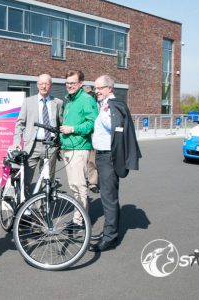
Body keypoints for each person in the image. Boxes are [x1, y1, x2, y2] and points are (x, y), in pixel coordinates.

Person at [89, 74, 141, 252]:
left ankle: (110, 238)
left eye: (99, 88)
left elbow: (116, 128)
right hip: (102, 156)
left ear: (109, 88)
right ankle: (108, 232)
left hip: (108, 157)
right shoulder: (105, 105)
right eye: (95, 88)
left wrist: (104, 114)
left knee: (108, 199)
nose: (97, 91)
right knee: (108, 196)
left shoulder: (112, 106)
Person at [12, 73, 63, 197]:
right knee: (26, 179)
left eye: (46, 83)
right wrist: (17, 141)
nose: (43, 86)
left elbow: (61, 125)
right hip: (32, 146)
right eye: (41, 83)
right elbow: (20, 124)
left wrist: (60, 146)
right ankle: (25, 207)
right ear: (37, 85)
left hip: (50, 146)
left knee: (47, 180)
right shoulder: (28, 102)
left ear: (51, 85)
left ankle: (43, 210)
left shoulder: (58, 103)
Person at [59, 70, 98, 230]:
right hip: (68, 148)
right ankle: (78, 218)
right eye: (67, 83)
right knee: (74, 187)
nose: (69, 86)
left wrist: (73, 129)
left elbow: (93, 123)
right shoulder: (69, 100)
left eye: (73, 83)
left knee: (79, 186)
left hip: (79, 148)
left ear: (80, 84)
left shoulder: (86, 99)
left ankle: (79, 221)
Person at [83, 85, 99, 194]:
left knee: (92, 161)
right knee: (82, 161)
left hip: (93, 137)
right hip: (83, 138)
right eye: (88, 93)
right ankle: (82, 181)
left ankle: (92, 182)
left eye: (91, 93)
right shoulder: (80, 104)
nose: (90, 95)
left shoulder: (97, 105)